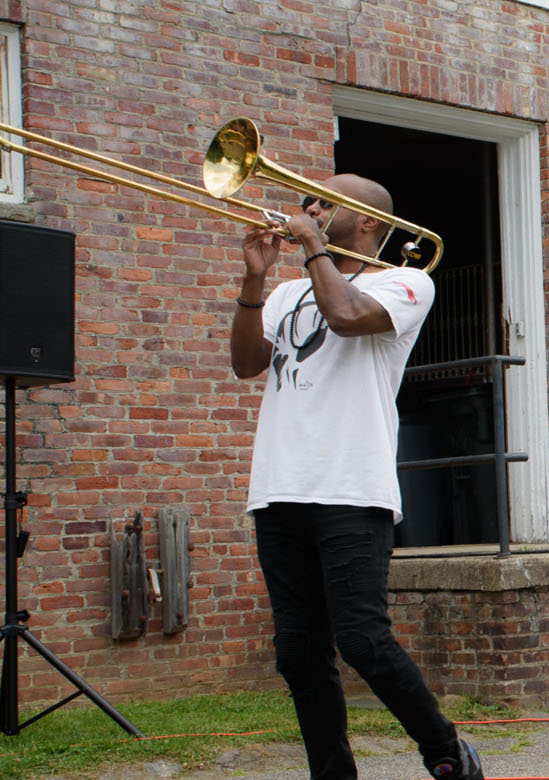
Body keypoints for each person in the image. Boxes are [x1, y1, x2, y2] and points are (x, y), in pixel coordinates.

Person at [230, 176, 483, 779]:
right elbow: (245, 365)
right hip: (278, 488)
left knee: (363, 640)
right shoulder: (289, 290)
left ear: (369, 222)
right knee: (296, 652)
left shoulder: (406, 281)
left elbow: (344, 317)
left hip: (350, 488)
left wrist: (312, 241)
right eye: (308, 201)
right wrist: (254, 278)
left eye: (324, 203)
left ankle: (446, 751)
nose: (309, 207)